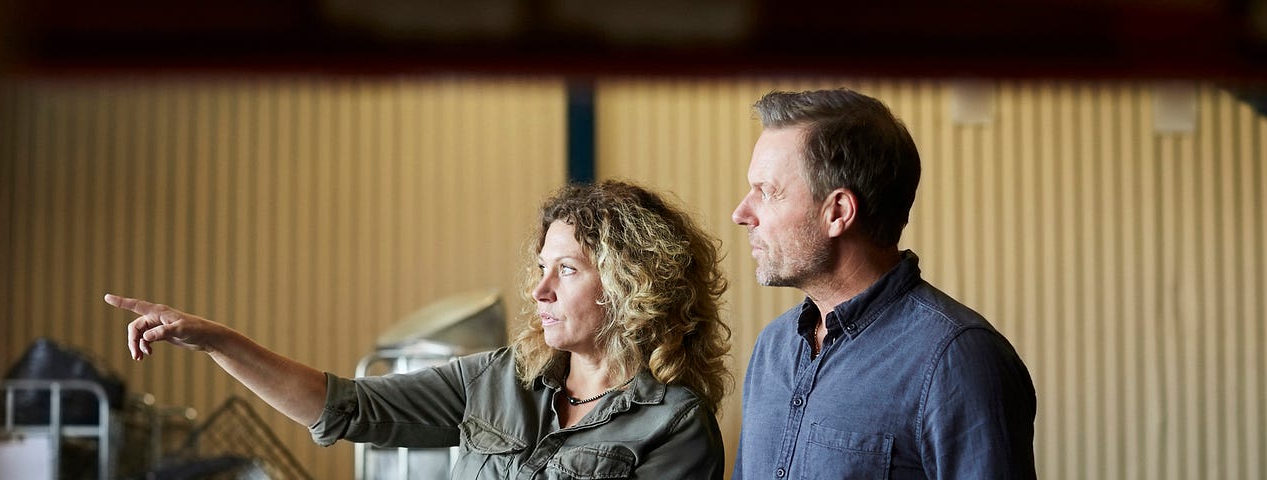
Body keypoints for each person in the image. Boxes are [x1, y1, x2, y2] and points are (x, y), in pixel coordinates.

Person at [107, 180, 733, 479]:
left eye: (565, 271)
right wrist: (218, 340)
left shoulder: (674, 424)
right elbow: (344, 407)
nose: (539, 290)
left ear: (631, 285)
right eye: (540, 269)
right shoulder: (496, 379)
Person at [728, 89, 1036, 479]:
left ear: (837, 212)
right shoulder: (773, 347)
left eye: (766, 192)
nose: (742, 213)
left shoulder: (959, 360)